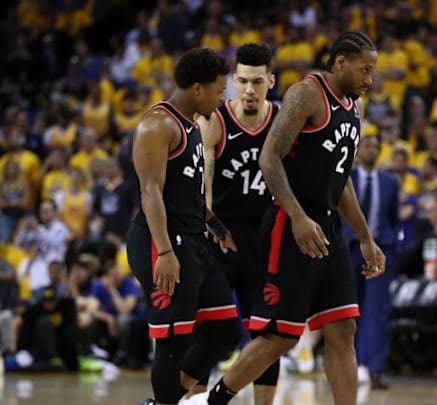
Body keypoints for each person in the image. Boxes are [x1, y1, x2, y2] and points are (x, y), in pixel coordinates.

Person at [207, 31, 385, 405]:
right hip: (291, 224)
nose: (370, 79)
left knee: (342, 327)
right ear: (340, 63)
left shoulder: (354, 107)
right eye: (365, 69)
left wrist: (365, 236)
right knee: (280, 336)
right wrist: (299, 217)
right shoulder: (306, 94)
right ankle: (215, 399)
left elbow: (341, 179)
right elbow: (268, 158)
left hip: (327, 226)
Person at [127, 47, 241, 405]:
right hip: (162, 241)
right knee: (174, 342)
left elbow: (187, 191)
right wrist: (164, 251)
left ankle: (166, 401)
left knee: (224, 332)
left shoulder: (193, 123)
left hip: (194, 241)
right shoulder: (157, 124)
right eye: (219, 90)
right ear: (197, 88)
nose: (222, 99)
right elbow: (151, 192)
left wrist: (216, 225)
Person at [196, 43, 281, 404]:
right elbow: (204, 190)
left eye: (257, 82)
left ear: (270, 82)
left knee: (268, 331)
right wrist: (216, 233)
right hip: (222, 234)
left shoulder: (283, 121)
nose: (249, 89)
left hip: (264, 239)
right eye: (242, 81)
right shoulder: (215, 121)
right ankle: (195, 401)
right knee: (208, 327)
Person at [349, 135, 400, 389]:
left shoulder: (390, 182)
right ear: (359, 150)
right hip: (350, 251)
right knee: (350, 311)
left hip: (380, 250)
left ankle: (376, 369)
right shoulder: (347, 177)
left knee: (377, 312)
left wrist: (392, 248)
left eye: (377, 146)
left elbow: (393, 220)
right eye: (368, 145)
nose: (373, 149)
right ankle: (352, 366)